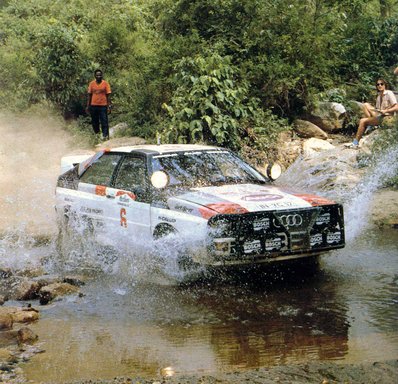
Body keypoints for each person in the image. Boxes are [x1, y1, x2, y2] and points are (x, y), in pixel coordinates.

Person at [346, 78, 397, 149]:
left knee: (362, 121)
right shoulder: (379, 96)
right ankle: (371, 125)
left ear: (385, 85)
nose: (380, 85)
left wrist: (386, 111)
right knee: (366, 105)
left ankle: (355, 143)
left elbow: (396, 107)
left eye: (381, 84)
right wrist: (377, 110)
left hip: (387, 118)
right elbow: (378, 109)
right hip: (380, 115)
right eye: (378, 84)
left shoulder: (389, 93)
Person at [86, 69, 112, 140]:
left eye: (100, 75)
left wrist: (109, 106)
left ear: (102, 75)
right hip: (93, 105)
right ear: (95, 76)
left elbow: (108, 95)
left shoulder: (105, 84)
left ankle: (105, 137)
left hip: (103, 106)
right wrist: (88, 106)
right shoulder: (91, 84)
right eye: (97, 75)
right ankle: (97, 136)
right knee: (95, 122)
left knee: (104, 122)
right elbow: (89, 95)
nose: (98, 76)